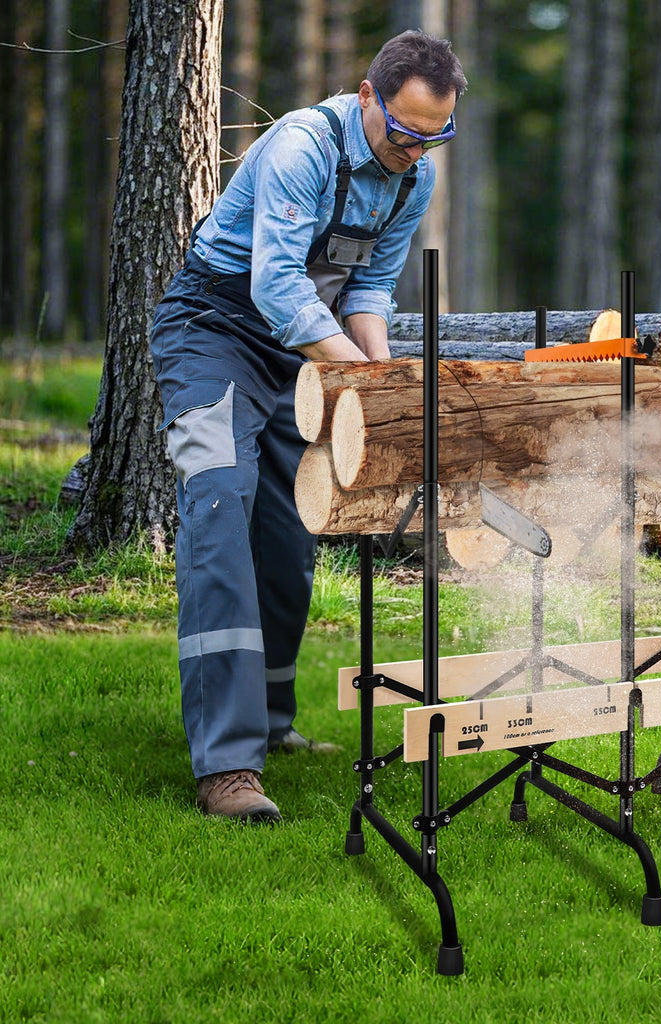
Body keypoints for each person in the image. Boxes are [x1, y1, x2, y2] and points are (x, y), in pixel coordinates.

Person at [150, 31, 467, 823]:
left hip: (300, 345)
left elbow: (367, 292)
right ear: (368, 97)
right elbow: (278, 283)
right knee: (219, 512)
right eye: (404, 131)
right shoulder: (302, 147)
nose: (416, 150)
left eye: (436, 136)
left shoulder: (410, 180)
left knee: (293, 532)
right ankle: (226, 766)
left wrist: (387, 381)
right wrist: (353, 375)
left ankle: (271, 722)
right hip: (212, 333)